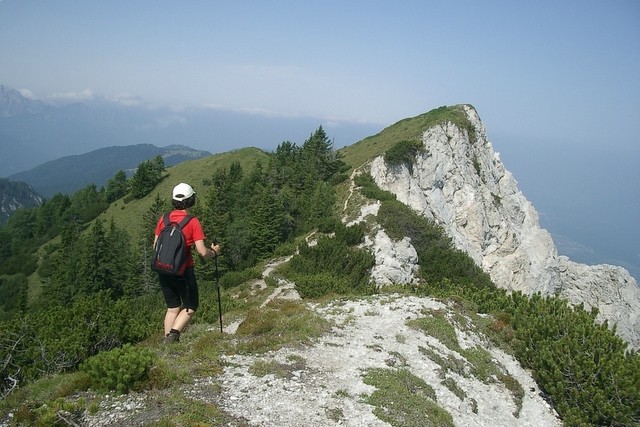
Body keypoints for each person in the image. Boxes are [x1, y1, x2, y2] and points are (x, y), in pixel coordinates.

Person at [153, 182, 220, 344]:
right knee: (190, 305)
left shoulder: (164, 219)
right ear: (191, 200)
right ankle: (173, 336)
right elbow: (202, 252)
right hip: (184, 271)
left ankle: (167, 342)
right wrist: (215, 252)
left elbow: (155, 246)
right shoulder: (192, 222)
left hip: (163, 269)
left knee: (172, 307)